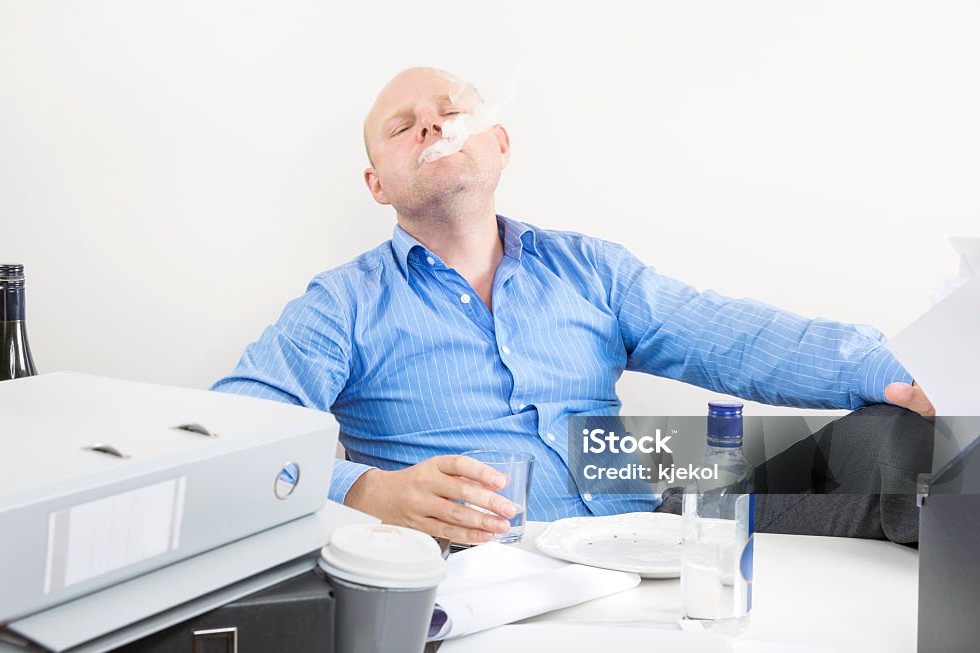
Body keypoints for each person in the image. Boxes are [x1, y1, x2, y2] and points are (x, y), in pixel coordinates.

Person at [212, 67, 935, 545]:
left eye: (449, 112)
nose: (430, 126)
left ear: (497, 144)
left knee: (904, 436)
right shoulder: (341, 304)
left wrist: (905, 371)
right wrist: (366, 490)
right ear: (377, 185)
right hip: (486, 563)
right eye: (402, 126)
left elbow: (735, 338)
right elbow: (233, 433)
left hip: (652, 506)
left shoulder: (589, 268)